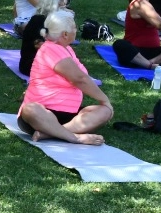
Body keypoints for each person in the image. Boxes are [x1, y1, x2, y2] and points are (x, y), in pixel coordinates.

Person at [18, 9, 112, 145]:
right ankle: (74, 137)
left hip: (69, 113)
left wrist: (105, 105)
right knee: (30, 109)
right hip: (43, 113)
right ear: (65, 34)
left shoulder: (67, 49)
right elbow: (80, 79)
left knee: (104, 112)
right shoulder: (50, 49)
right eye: (74, 27)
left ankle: (51, 133)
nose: (76, 29)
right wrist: (104, 99)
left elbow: (83, 77)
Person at [18, 0, 67, 77]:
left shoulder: (51, 19)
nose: (64, 3)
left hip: (44, 60)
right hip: (31, 64)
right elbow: (39, 45)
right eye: (62, 0)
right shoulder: (38, 20)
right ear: (54, 2)